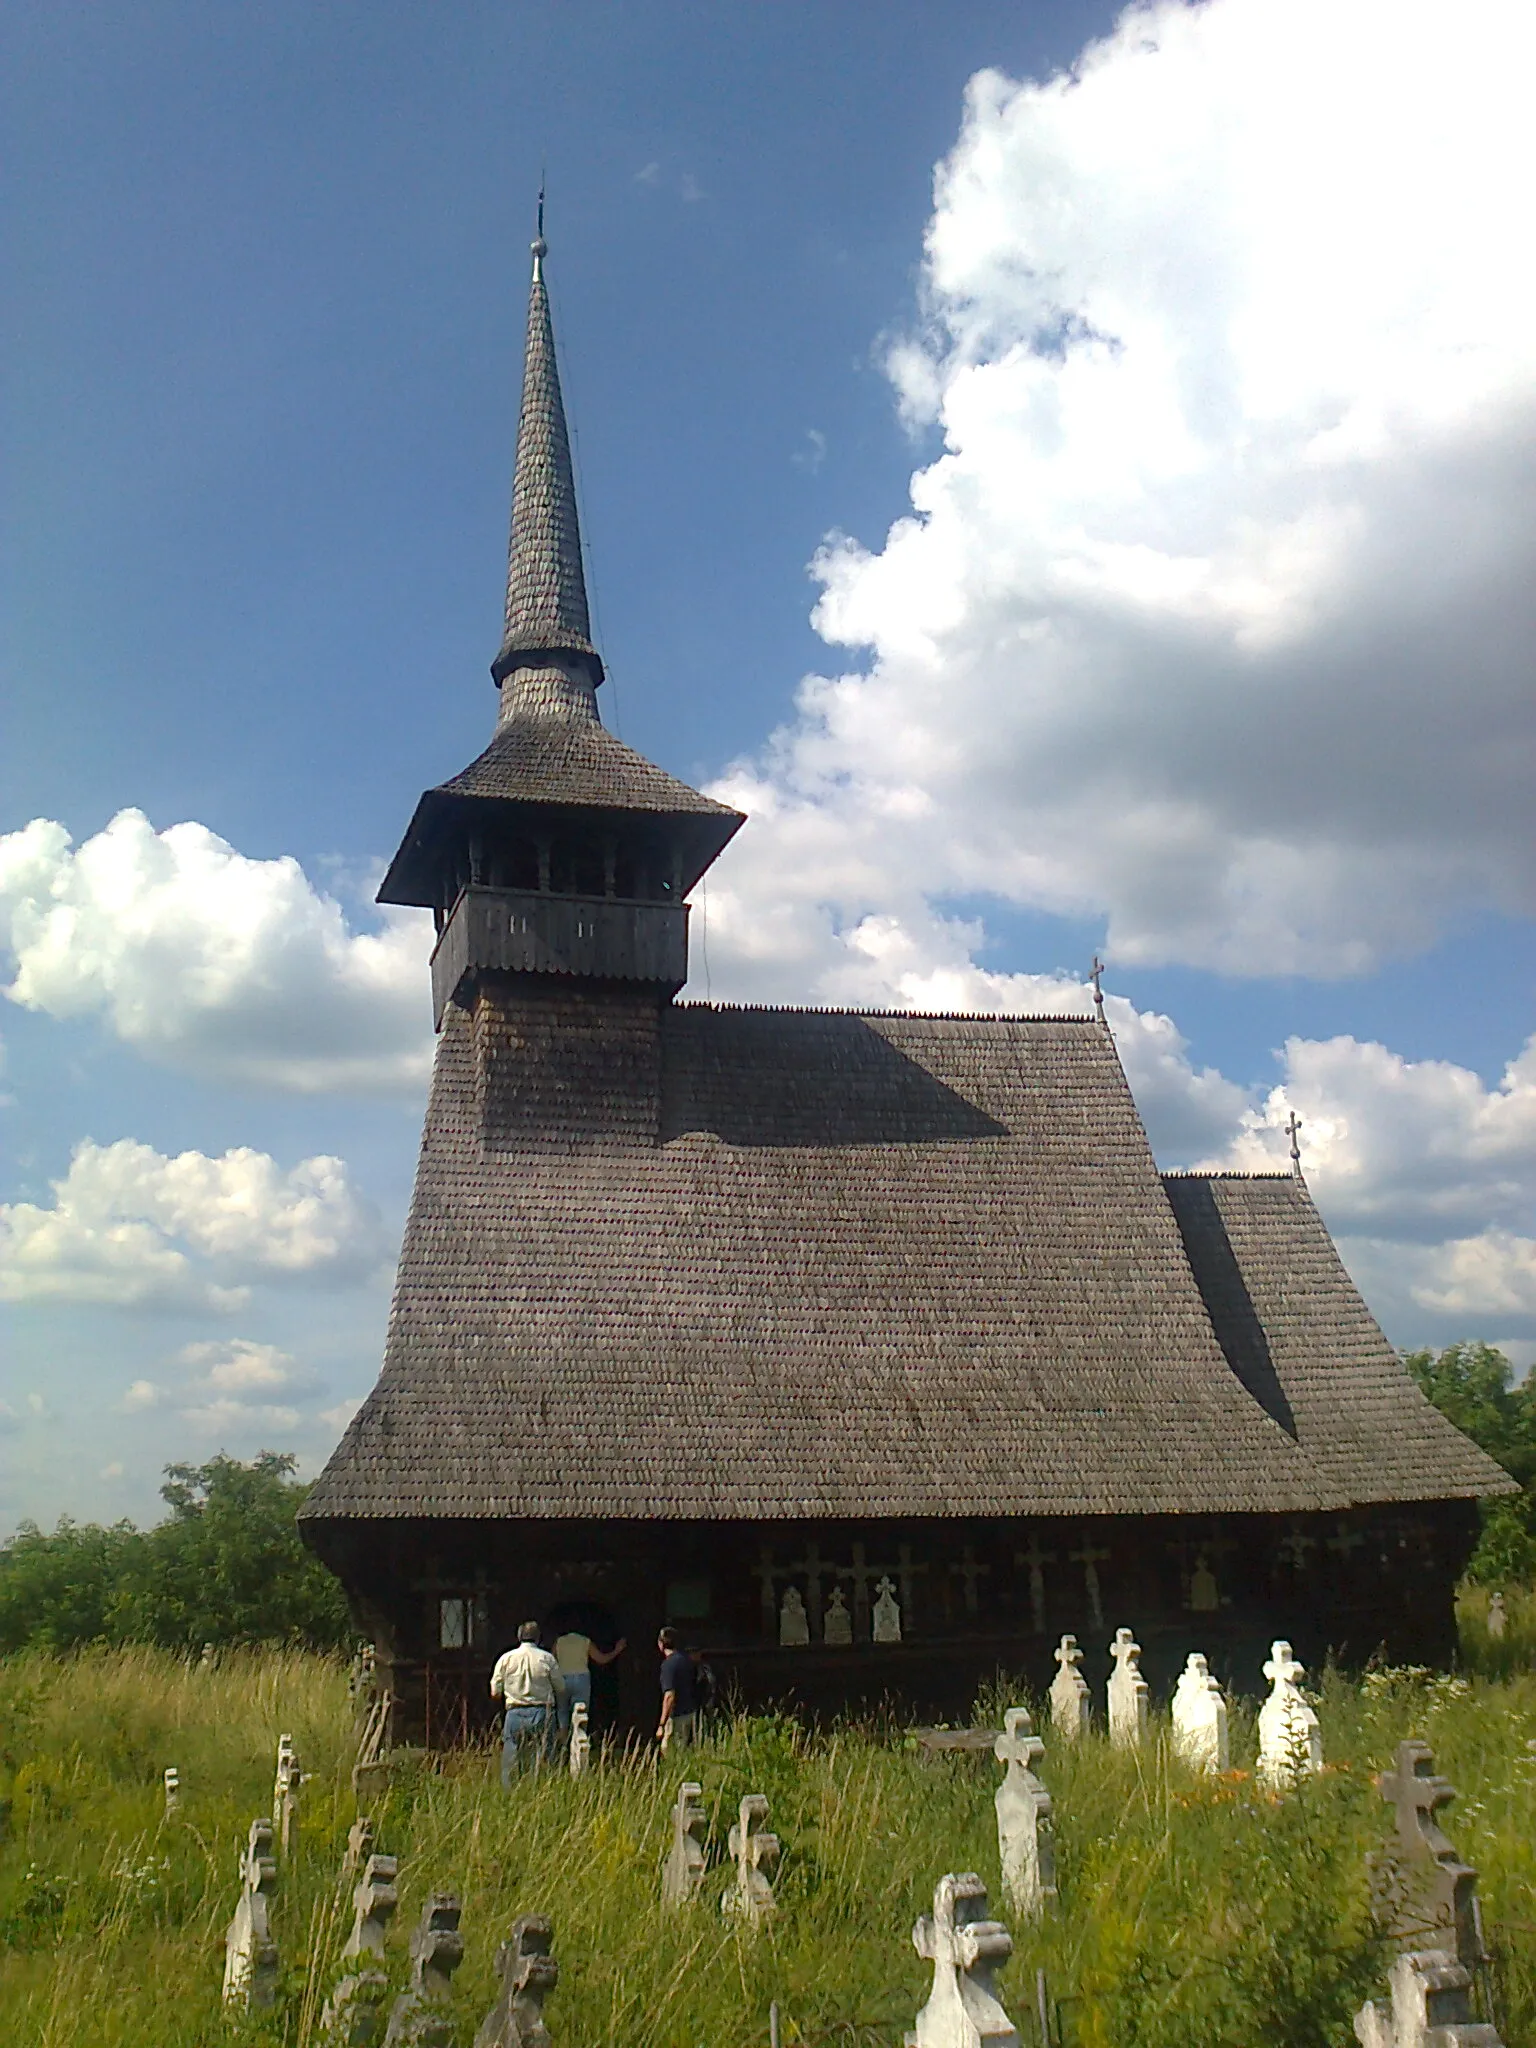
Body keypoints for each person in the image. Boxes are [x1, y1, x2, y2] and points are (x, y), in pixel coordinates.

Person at [490, 1621, 565, 1785]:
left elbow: (495, 1692)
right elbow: (560, 1687)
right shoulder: (547, 1658)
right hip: (541, 1711)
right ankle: (543, 1787)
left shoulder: (506, 1658)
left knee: (511, 1755)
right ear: (539, 1638)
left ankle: (509, 1791)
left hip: (515, 1712)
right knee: (545, 1754)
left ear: (518, 1637)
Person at [552, 1626, 626, 1735]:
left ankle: (563, 1745)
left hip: (563, 1678)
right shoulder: (585, 1641)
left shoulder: (558, 1642)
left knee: (562, 1712)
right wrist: (617, 1650)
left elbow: (551, 1662)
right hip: (582, 1679)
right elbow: (602, 1659)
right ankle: (579, 1743)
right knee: (581, 1713)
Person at [656, 1626, 698, 1751]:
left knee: (669, 1751)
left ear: (661, 1644)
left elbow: (669, 1696)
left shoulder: (668, 1665)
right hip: (690, 1712)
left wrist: (662, 1724)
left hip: (676, 1716)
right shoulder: (686, 1660)